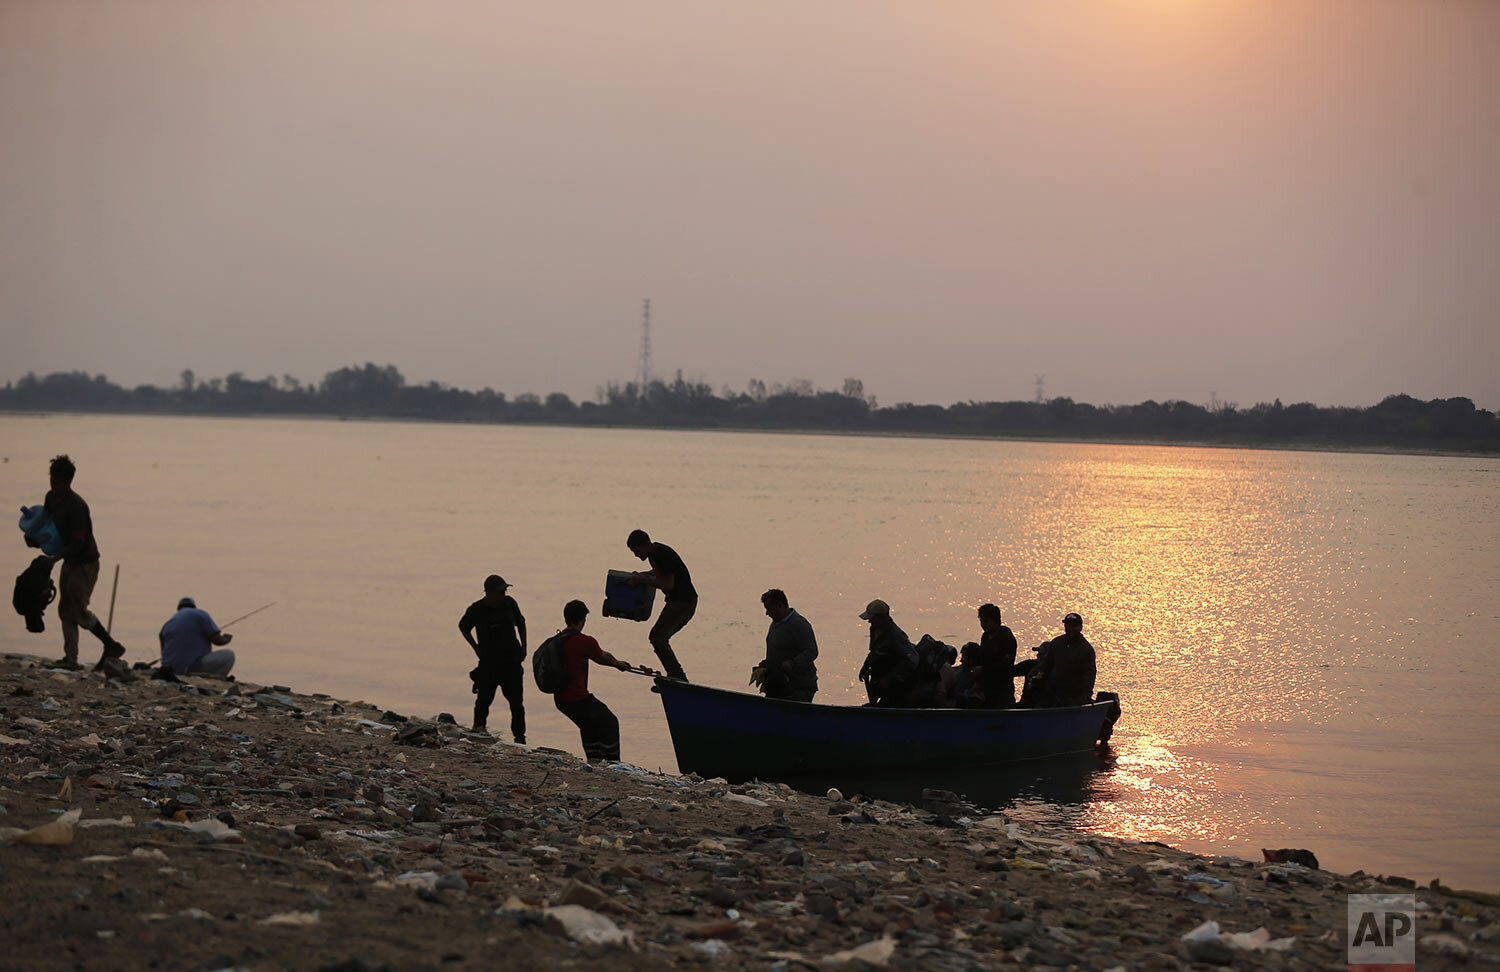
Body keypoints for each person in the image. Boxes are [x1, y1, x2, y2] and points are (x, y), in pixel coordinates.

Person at [42, 455, 125, 670]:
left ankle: (111, 645)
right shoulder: (51, 498)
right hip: (68, 560)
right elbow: (47, 526)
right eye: (51, 477)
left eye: (56, 479)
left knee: (78, 610)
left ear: (65, 481)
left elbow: (79, 542)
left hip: (85, 563)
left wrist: (55, 558)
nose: (52, 482)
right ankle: (71, 659)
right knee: (64, 609)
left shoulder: (76, 506)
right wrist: (34, 537)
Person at [552, 599, 632, 762]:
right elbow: (602, 657)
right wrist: (619, 664)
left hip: (560, 699)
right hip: (576, 698)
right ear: (582, 619)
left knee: (589, 724)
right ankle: (613, 761)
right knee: (609, 721)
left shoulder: (559, 639)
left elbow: (598, 654)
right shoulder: (584, 641)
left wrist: (617, 662)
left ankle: (594, 760)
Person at [458, 575, 528, 740]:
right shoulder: (476, 609)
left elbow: (521, 623)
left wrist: (524, 647)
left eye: (504, 591)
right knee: (483, 701)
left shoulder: (510, 603)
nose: (503, 594)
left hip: (511, 662)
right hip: (489, 663)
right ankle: (478, 730)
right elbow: (463, 626)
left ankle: (520, 739)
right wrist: (475, 648)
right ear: (489, 593)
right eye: (500, 592)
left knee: (517, 704)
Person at [625, 529, 696, 681]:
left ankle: (677, 676)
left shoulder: (661, 554)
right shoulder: (655, 553)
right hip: (677, 601)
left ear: (643, 545)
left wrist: (643, 579)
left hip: (684, 602)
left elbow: (668, 584)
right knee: (658, 636)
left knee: (658, 637)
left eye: (636, 551)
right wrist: (642, 575)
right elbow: (658, 571)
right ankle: (675, 674)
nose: (636, 555)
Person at [753, 589, 818, 703]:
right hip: (776, 683)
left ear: (780, 606)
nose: (767, 613)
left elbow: (812, 651)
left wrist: (792, 663)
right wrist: (764, 665)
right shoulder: (775, 624)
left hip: (798, 686)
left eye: (769, 609)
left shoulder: (799, 624)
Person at [1021, 612, 1097, 707]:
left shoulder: (1086, 650)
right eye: (1068, 625)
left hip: (1073, 696)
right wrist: (1034, 672)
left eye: (1074, 626)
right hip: (1053, 693)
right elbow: (1046, 664)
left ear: (1080, 628)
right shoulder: (1057, 643)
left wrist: (1085, 697)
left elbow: (1089, 676)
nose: (1071, 628)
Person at [856, 599, 919, 706]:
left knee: (888, 704)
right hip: (879, 680)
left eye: (872, 618)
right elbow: (874, 651)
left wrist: (889, 678)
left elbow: (912, 659)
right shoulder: (875, 629)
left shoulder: (896, 636)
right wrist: (865, 666)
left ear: (881, 617)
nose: (869, 621)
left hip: (896, 686)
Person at [158, 597, 235, 676]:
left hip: (170, 669)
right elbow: (217, 640)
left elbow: (163, 649)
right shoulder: (200, 614)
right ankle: (216, 679)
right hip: (191, 667)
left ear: (178, 609)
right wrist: (226, 639)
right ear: (194, 606)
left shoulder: (168, 623)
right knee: (229, 655)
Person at [975, 603, 1022, 707]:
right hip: (987, 686)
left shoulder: (1006, 638)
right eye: (981, 621)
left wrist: (983, 670)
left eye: (986, 621)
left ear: (995, 620)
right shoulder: (985, 637)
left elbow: (1005, 665)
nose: (983, 625)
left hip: (1003, 688)